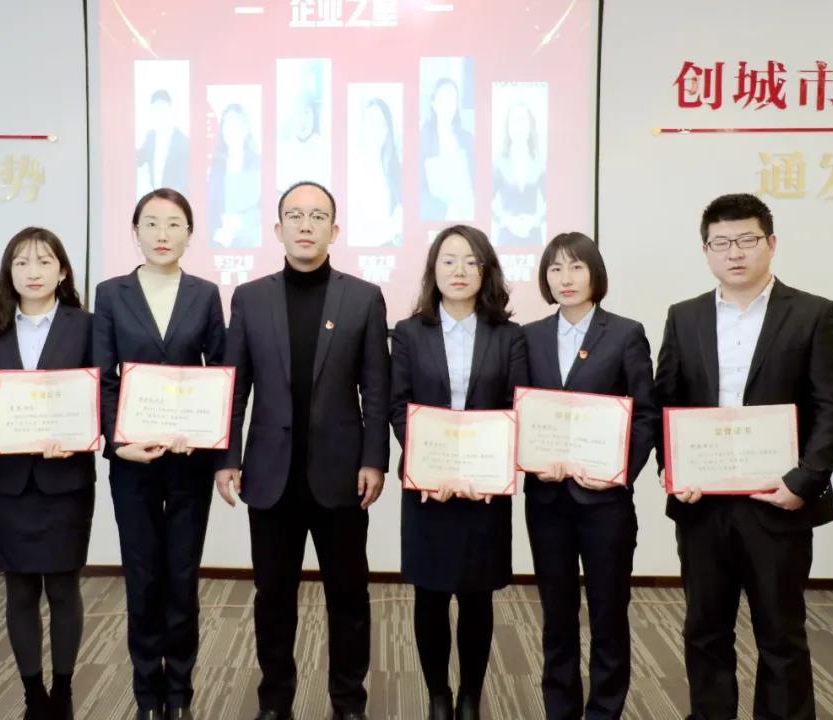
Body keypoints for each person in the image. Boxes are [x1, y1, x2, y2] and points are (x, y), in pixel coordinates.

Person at [655, 193, 833, 720]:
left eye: (746, 240)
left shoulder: (813, 313)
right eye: (721, 243)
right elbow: (667, 401)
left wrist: (804, 481)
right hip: (702, 502)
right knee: (704, 629)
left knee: (780, 632)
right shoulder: (684, 316)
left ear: (771, 243)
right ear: (706, 250)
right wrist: (671, 469)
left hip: (778, 500)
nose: (734, 253)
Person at [213, 181, 390, 720]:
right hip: (270, 475)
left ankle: (348, 703)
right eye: (295, 215)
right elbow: (234, 387)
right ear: (278, 229)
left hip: (341, 473)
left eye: (317, 216)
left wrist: (374, 459)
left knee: (349, 596)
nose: (305, 225)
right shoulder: (250, 298)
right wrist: (227, 458)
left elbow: (376, 388)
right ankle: (275, 702)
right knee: (273, 597)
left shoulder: (363, 298)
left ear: (334, 230)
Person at [94, 188, 226, 720]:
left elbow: (219, 374)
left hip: (189, 459)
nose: (162, 234)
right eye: (151, 223)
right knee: (143, 576)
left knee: (182, 576)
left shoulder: (205, 294)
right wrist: (118, 443)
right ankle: (147, 693)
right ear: (136, 232)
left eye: (174, 224)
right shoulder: (111, 293)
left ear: (189, 234)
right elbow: (103, 377)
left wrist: (206, 433)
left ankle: (181, 692)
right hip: (133, 462)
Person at [390, 224, 528, 720]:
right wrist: (430, 468)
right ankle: (438, 695)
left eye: (472, 261)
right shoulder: (409, 333)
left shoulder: (508, 335)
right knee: (429, 595)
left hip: (484, 489)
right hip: (427, 488)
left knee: (476, 596)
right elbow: (398, 404)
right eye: (448, 260)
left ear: (486, 271)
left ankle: (470, 695)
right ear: (433, 270)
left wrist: (487, 470)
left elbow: (516, 406)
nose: (460, 271)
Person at [521, 233, 658, 720]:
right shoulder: (529, 336)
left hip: (605, 504)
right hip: (547, 500)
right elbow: (518, 412)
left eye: (576, 267)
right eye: (555, 269)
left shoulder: (625, 334)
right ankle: (560, 709)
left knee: (608, 612)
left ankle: (604, 711)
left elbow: (645, 414)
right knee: (556, 614)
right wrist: (530, 458)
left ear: (595, 273)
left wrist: (619, 473)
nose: (566, 278)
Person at [0, 228, 95, 720]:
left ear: (62, 271)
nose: (33, 272)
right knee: (19, 589)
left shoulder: (86, 326)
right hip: (9, 482)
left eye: (44, 262)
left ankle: (62, 693)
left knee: (63, 587)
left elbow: (99, 396)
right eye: (21, 263)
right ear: (9, 273)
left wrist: (78, 433)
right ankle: (32, 695)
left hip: (66, 478)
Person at [348, 97, 403, 247]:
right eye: (371, 123)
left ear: (388, 130)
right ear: (363, 127)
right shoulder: (354, 170)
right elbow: (356, 235)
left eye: (382, 124)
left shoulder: (393, 168)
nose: (377, 130)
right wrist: (392, 228)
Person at [419, 77, 475, 221]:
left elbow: (477, 183)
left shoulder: (468, 139)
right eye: (444, 98)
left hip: (467, 217)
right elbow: (417, 191)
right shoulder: (422, 140)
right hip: (437, 219)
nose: (448, 104)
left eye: (453, 99)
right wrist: (446, 211)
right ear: (434, 103)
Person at [208, 103, 262, 248]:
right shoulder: (216, 166)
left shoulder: (259, 163)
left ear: (246, 129)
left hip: (251, 235)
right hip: (222, 236)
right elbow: (210, 206)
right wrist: (216, 231)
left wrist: (242, 221)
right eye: (228, 125)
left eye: (236, 124)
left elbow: (267, 205)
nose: (232, 129)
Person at [491, 102, 546, 246]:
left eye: (523, 120)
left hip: (533, 235)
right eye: (515, 120)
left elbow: (552, 200)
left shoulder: (540, 161)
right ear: (508, 127)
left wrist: (535, 220)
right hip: (506, 236)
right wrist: (507, 221)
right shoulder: (498, 162)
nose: (519, 125)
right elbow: (486, 200)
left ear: (530, 126)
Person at [136, 89, 191, 196]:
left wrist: (169, 199)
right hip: (156, 197)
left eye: (162, 109)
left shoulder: (183, 142)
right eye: (155, 110)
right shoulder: (150, 136)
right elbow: (141, 158)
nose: (159, 114)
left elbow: (184, 179)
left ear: (170, 110)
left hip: (174, 199)